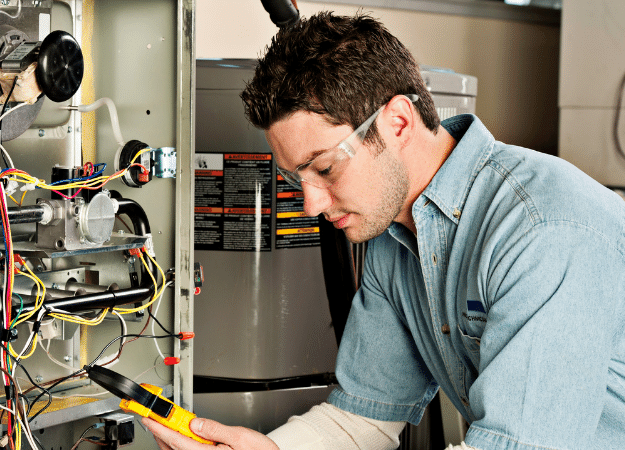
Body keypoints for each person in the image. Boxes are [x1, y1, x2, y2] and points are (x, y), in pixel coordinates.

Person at [145, 11, 625, 450]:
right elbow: (364, 418)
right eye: (297, 179)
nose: (311, 205)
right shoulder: (395, 235)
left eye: (327, 168)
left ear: (397, 122)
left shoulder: (542, 231)